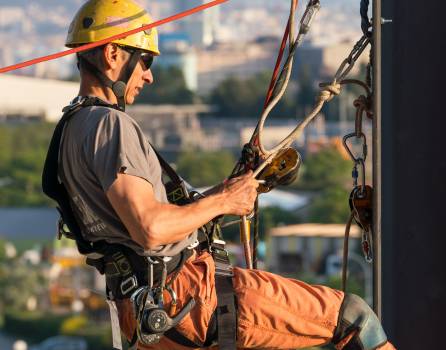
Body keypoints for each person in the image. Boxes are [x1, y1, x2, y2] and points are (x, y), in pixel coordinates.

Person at [44, 1, 396, 349]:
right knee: (355, 319)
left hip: (146, 313)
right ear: (113, 55)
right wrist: (224, 199)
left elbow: (140, 224)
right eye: (145, 60)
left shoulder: (72, 128)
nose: (149, 75)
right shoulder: (110, 124)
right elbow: (150, 228)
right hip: (189, 296)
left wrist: (226, 193)